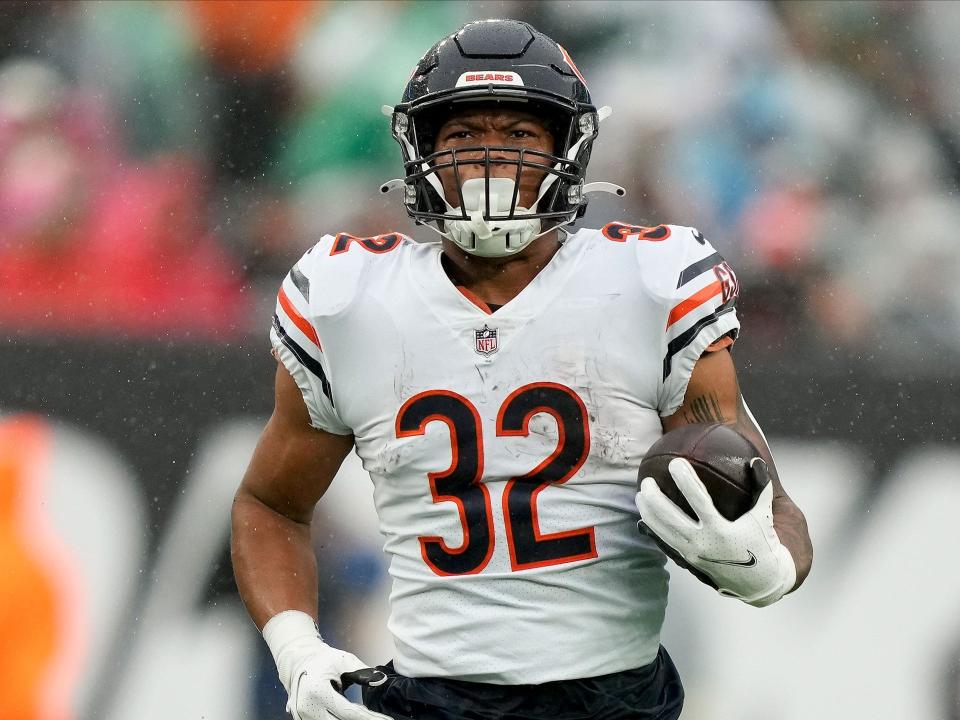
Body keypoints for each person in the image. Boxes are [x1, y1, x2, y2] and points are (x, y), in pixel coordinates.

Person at [231, 18, 813, 720]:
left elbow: (772, 506)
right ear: (420, 151)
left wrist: (764, 567)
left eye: (518, 136)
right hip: (429, 698)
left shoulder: (649, 282)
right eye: (464, 135)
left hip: (613, 700)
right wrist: (300, 652)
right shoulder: (349, 299)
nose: (488, 160)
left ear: (568, 149)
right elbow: (269, 504)